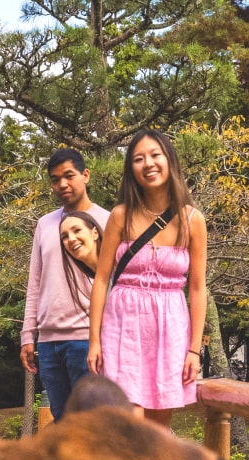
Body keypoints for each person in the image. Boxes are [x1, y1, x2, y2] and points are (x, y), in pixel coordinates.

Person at [87, 129, 207, 427]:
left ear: (170, 161)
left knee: (157, 428)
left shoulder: (193, 220)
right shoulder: (120, 215)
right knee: (129, 424)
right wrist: (94, 341)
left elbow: (197, 288)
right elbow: (101, 280)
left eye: (155, 155)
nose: (148, 164)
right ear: (131, 170)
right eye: (139, 159)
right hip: (122, 325)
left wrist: (194, 349)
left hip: (169, 327)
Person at [19, 148, 111, 420]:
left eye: (69, 176)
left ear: (85, 175)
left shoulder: (108, 221)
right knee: (63, 422)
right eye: (55, 179)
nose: (62, 184)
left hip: (88, 338)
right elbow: (35, 281)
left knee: (94, 423)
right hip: (48, 342)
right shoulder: (45, 225)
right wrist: (28, 335)